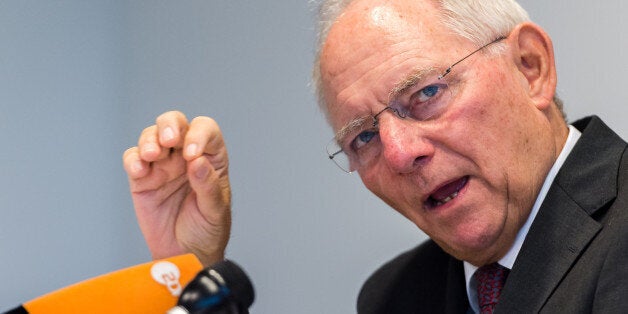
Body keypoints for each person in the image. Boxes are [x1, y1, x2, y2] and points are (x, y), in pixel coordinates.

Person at [123, 0, 628, 313]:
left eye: (427, 93)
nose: (401, 152)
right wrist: (187, 272)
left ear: (530, 66)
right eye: (363, 137)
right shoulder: (395, 297)